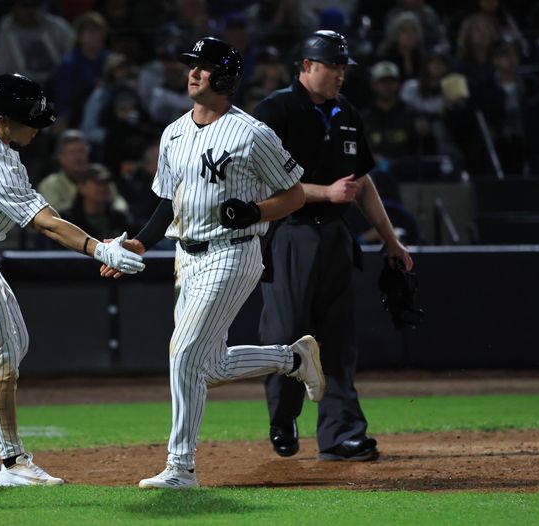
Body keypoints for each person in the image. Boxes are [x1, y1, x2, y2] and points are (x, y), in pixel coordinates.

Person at [101, 37, 324, 489]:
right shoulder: (173, 132)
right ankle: (293, 358)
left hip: (233, 251)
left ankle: (180, 468)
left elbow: (295, 193)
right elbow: (167, 202)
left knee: (183, 352)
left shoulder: (252, 132)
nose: (193, 72)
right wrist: (141, 243)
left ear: (224, 78)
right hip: (186, 256)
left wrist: (256, 211)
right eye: (192, 65)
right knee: (211, 366)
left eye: (203, 67)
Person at [0, 73, 144, 487]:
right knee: (2, 359)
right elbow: (47, 223)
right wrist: (100, 249)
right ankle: (13, 462)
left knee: (14, 345)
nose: (37, 128)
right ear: (3, 120)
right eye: (30, 121)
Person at [253, 30, 413, 462]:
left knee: (338, 340)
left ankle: (342, 434)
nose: (340, 74)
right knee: (286, 335)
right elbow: (262, 182)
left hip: (335, 237)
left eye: (344, 67)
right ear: (307, 66)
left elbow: (360, 182)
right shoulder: (275, 110)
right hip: (288, 232)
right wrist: (325, 192)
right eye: (332, 66)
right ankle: (284, 417)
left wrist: (390, 239)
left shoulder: (347, 112)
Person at [37, 129, 129, 213]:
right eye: (72, 153)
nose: (78, 157)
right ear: (60, 158)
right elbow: (55, 213)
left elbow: (118, 202)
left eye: (81, 151)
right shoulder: (50, 184)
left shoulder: (100, 176)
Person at [0, 0, 74, 88]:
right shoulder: (5, 30)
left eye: (35, 5)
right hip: (22, 88)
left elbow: (75, 53)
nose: (31, 11)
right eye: (25, 6)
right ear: (14, 8)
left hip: (61, 83)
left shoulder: (57, 26)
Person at [58, 163, 129, 242]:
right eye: (98, 183)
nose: (103, 188)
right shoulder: (66, 220)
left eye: (106, 183)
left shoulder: (119, 219)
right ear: (82, 187)